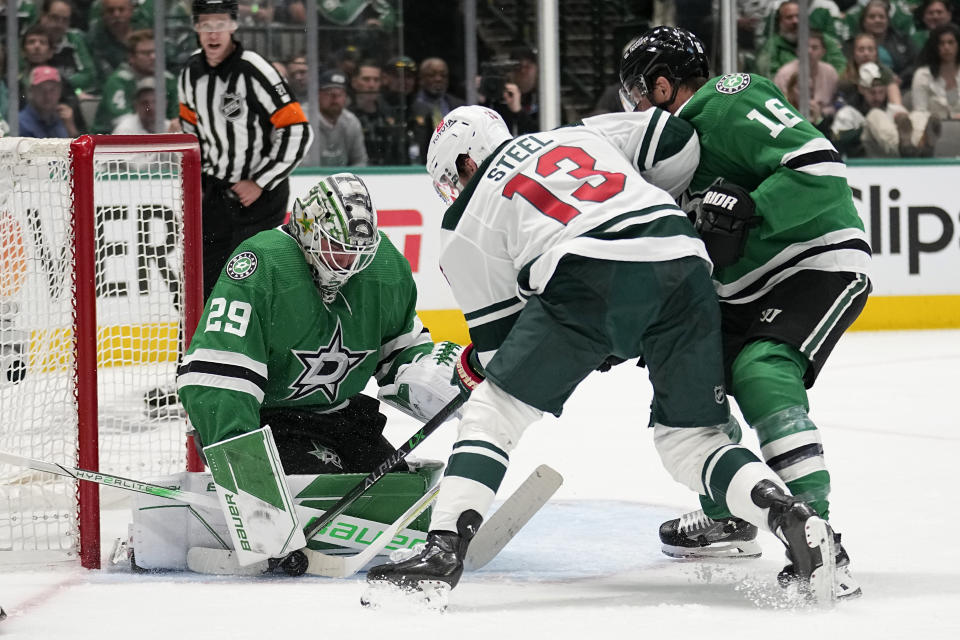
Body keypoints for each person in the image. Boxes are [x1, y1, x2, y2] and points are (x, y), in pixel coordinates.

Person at [366, 105, 839, 605]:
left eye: (450, 179)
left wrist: (488, 365)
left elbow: (502, 349)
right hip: (683, 257)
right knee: (690, 440)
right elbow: (676, 141)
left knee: (493, 411)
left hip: (588, 272)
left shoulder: (465, 220)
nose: (453, 191)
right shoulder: (578, 134)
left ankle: (441, 554)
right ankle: (788, 515)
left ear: (465, 163)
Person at [618, 26, 873, 599]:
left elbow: (820, 168)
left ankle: (819, 533)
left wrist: (751, 210)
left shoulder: (729, 99)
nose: (633, 109)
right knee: (688, 381)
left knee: (761, 370)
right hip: (737, 290)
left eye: (637, 94)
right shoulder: (661, 157)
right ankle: (732, 512)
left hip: (811, 263)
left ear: (661, 86)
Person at [175, 173, 463, 564]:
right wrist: (249, 485)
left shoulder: (384, 267)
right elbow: (217, 378)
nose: (347, 264)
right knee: (327, 491)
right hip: (267, 423)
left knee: (396, 493)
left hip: (342, 419)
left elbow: (400, 349)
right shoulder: (262, 263)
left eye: (357, 252)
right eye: (336, 248)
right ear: (307, 229)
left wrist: (428, 377)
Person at [178, 0, 314, 302]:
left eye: (220, 25)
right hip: (215, 194)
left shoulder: (253, 69)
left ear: (234, 26)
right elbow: (191, 131)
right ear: (196, 28)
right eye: (206, 25)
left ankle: (259, 346)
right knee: (204, 282)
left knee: (251, 281)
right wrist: (197, 180)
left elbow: (298, 130)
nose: (213, 34)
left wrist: (260, 181)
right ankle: (203, 347)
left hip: (259, 197)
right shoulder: (190, 71)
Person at [832, 61, 935, 156]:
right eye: (872, 92)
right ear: (861, 89)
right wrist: (862, 129)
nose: (877, 98)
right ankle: (902, 148)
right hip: (867, 158)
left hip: (899, 155)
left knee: (917, 115)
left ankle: (920, 144)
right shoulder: (848, 113)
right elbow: (838, 142)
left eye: (881, 92)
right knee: (875, 114)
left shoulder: (890, 109)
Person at [93, 29, 178, 134]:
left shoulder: (168, 80)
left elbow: (176, 118)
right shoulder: (118, 81)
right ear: (131, 57)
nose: (153, 57)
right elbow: (122, 122)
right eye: (146, 53)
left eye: (155, 51)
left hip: (158, 137)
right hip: (110, 141)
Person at [756, 0, 847, 77]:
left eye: (798, 16)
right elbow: (768, 74)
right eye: (789, 17)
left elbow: (840, 66)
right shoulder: (772, 45)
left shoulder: (823, 39)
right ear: (780, 21)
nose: (795, 21)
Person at [773, 30, 840, 121]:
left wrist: (820, 113)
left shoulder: (830, 72)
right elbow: (777, 106)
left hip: (825, 121)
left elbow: (835, 104)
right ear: (797, 51)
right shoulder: (785, 74)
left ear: (823, 52)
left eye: (815, 47)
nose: (809, 51)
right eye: (805, 47)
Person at [408, 57, 464, 163]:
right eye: (431, 75)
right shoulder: (410, 105)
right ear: (421, 79)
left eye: (443, 75)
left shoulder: (459, 105)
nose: (438, 79)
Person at [38, 0, 98, 97]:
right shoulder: (32, 40)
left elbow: (89, 75)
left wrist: (60, 84)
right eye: (54, 18)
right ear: (43, 16)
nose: (59, 25)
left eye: (65, 20)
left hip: (75, 95)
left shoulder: (75, 39)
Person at [314, 69, 368, 166]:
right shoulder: (304, 120)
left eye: (339, 93)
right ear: (318, 94)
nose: (335, 98)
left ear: (346, 97)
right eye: (329, 93)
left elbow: (360, 162)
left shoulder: (351, 122)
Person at [910, 22, 960, 120]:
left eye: (951, 42)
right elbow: (920, 112)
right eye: (942, 43)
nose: (946, 47)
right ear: (935, 47)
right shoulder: (922, 75)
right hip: (932, 130)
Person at [18, 65, 79, 138]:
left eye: (52, 90)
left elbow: (80, 148)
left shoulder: (64, 117)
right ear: (31, 91)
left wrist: (71, 129)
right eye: (41, 90)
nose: (48, 96)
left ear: (60, 90)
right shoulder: (21, 123)